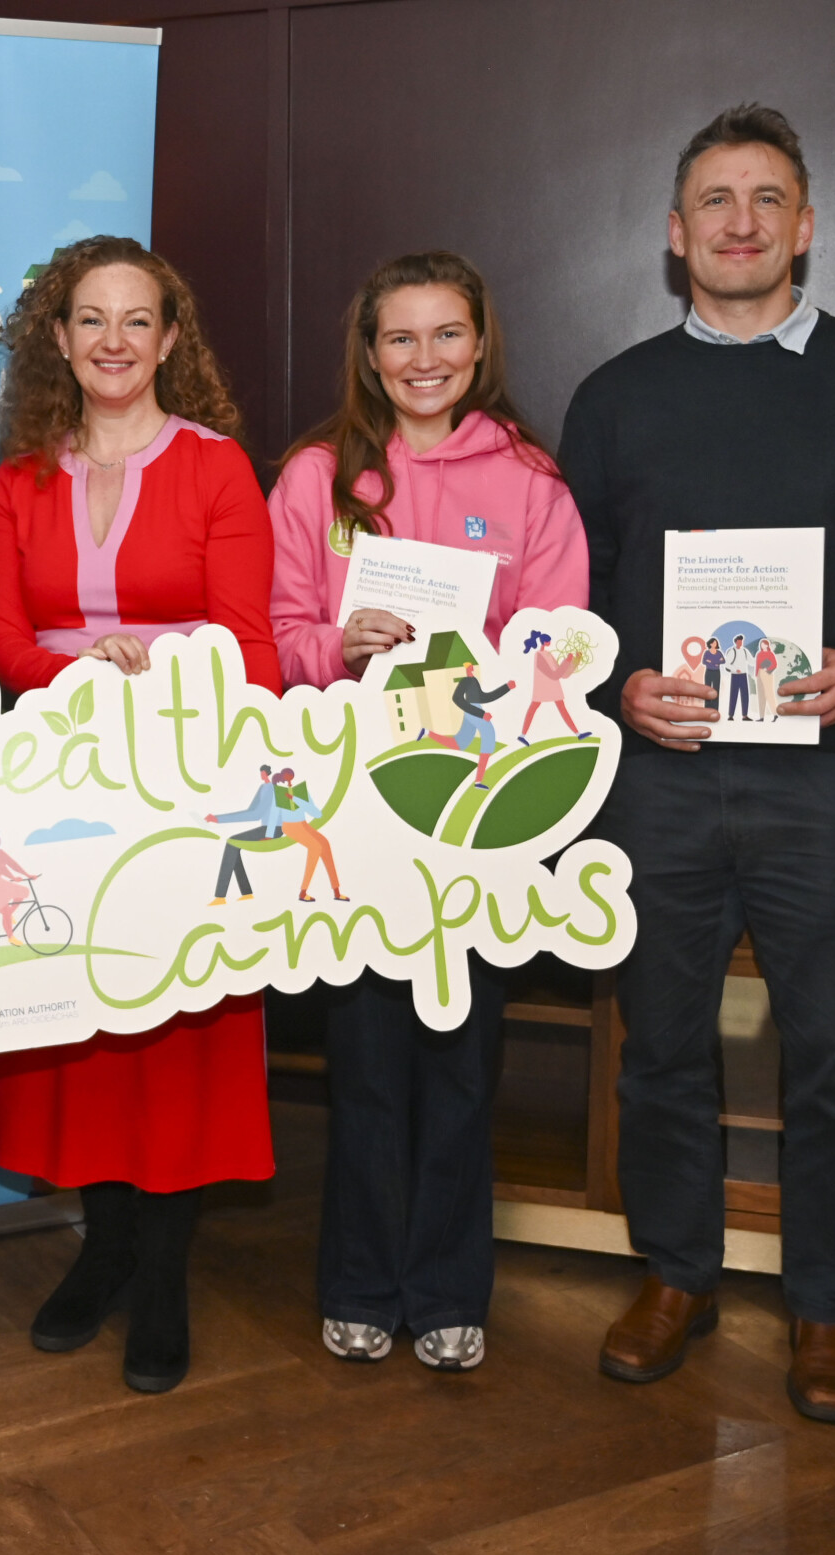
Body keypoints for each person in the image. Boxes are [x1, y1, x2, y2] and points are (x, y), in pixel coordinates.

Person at [559, 104, 835, 1420]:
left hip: (829, 777)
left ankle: (825, 1304)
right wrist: (620, 680)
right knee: (661, 1046)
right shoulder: (615, 395)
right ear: (677, 234)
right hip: (660, 775)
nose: (741, 221)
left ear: (805, 227)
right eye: (716, 201)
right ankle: (676, 1273)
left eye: (767, 199)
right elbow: (578, 582)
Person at [269, 248, 587, 1370]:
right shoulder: (317, 475)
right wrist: (334, 646)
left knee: (459, 1054)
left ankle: (451, 1287)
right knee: (364, 1056)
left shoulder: (531, 479)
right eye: (398, 336)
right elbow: (274, 636)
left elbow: (564, 647)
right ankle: (360, 1279)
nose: (423, 358)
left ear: (479, 341)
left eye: (445, 333)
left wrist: (497, 668)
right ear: (368, 352)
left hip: (477, 811)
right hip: (355, 803)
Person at [0, 235, 279, 1394]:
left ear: (168, 338)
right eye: (91, 318)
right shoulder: (20, 477)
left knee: (181, 1023)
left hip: (188, 780)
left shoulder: (216, 467)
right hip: (58, 777)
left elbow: (249, 645)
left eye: (136, 319)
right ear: (58, 338)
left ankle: (161, 1274)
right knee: (81, 1023)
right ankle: (102, 1245)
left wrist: (176, 692)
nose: (113, 339)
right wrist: (77, 675)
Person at [207, 763, 286, 903]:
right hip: (267, 828)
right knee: (233, 843)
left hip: (273, 830)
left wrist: (218, 819)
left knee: (232, 842)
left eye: (262, 773)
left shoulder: (271, 789)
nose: (261, 775)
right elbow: (251, 811)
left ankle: (220, 897)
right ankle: (246, 893)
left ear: (266, 773)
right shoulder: (263, 788)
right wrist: (218, 818)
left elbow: (255, 815)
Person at [272, 767, 344, 902]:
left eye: (291, 781)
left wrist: (296, 799)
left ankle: (337, 892)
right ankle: (303, 892)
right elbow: (274, 815)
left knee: (325, 844)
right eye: (286, 782)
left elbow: (317, 814)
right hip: (289, 826)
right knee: (315, 847)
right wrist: (269, 835)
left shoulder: (301, 793)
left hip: (303, 824)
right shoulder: (278, 795)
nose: (290, 784)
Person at [519, 630, 589, 742]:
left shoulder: (548, 654)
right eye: (549, 641)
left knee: (560, 709)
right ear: (545, 642)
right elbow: (554, 675)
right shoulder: (539, 656)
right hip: (543, 688)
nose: (550, 643)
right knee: (534, 708)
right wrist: (567, 661)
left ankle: (578, 733)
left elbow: (563, 675)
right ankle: (522, 735)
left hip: (553, 687)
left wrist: (576, 661)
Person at [724, 633, 755, 719]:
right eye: (739, 641)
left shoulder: (745, 651)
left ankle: (745, 715)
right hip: (735, 675)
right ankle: (731, 715)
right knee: (733, 695)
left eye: (741, 641)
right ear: (736, 642)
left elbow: (752, 661)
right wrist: (735, 669)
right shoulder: (732, 651)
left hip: (743, 675)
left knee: (745, 695)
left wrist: (759, 660)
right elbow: (727, 664)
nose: (741, 643)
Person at [754, 637, 780, 720]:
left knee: (769, 693)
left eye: (764, 644)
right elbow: (757, 664)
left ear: (767, 645)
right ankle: (761, 717)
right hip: (759, 673)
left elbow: (775, 664)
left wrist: (767, 669)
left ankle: (775, 714)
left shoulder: (770, 654)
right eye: (761, 644)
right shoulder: (759, 654)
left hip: (767, 674)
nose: (762, 645)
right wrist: (756, 674)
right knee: (761, 695)